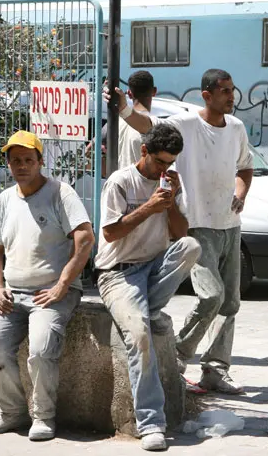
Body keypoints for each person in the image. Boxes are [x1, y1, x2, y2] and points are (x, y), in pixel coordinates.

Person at [105, 68, 254, 394]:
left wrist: (240, 194)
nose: (231, 96)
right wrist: (124, 109)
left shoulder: (237, 128)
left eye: (233, 90)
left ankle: (215, 370)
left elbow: (245, 167)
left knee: (230, 304)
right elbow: (149, 129)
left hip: (230, 225)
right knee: (211, 297)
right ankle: (177, 354)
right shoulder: (186, 125)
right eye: (225, 91)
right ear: (207, 94)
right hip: (198, 226)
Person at [0, 130, 95, 441]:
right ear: (9, 165)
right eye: (16, 161)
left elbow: (84, 240)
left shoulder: (60, 193)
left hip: (52, 294)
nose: (22, 166)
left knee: (41, 350)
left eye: (29, 160)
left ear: (41, 162)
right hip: (13, 293)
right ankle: (12, 412)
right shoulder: (5, 199)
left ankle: (43, 417)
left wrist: (62, 285)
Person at [95, 123, 200, 451]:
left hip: (154, 267)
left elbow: (182, 233)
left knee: (192, 247)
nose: (164, 169)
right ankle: (151, 423)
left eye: (171, 164)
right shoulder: (120, 182)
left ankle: (146, 307)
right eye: (159, 162)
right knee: (140, 337)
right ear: (144, 152)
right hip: (119, 273)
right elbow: (111, 233)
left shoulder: (169, 183)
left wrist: (169, 205)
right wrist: (148, 207)